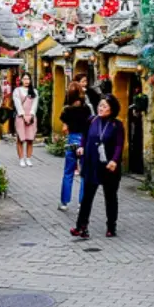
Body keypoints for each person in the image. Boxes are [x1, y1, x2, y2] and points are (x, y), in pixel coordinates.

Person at [71, 94, 124, 239]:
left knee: (110, 197)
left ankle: (111, 227)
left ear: (112, 109)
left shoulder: (116, 125)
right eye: (100, 105)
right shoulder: (92, 120)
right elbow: (85, 136)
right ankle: (81, 227)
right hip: (92, 164)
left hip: (108, 166)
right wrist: (81, 147)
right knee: (87, 197)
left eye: (104, 106)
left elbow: (119, 145)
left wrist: (114, 160)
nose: (101, 108)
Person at [58, 81, 90, 211]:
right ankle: (82, 203)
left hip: (71, 140)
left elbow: (64, 128)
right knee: (84, 174)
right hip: (83, 141)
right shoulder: (86, 109)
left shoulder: (67, 110)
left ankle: (64, 202)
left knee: (68, 172)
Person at [12, 74, 38, 167]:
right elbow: (17, 104)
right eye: (25, 79)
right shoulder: (17, 90)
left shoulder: (34, 91)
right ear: (21, 80)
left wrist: (31, 115)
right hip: (20, 117)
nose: (26, 81)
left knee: (30, 139)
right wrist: (23, 115)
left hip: (31, 117)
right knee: (20, 139)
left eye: (28, 79)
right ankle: (21, 159)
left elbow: (35, 105)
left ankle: (28, 158)